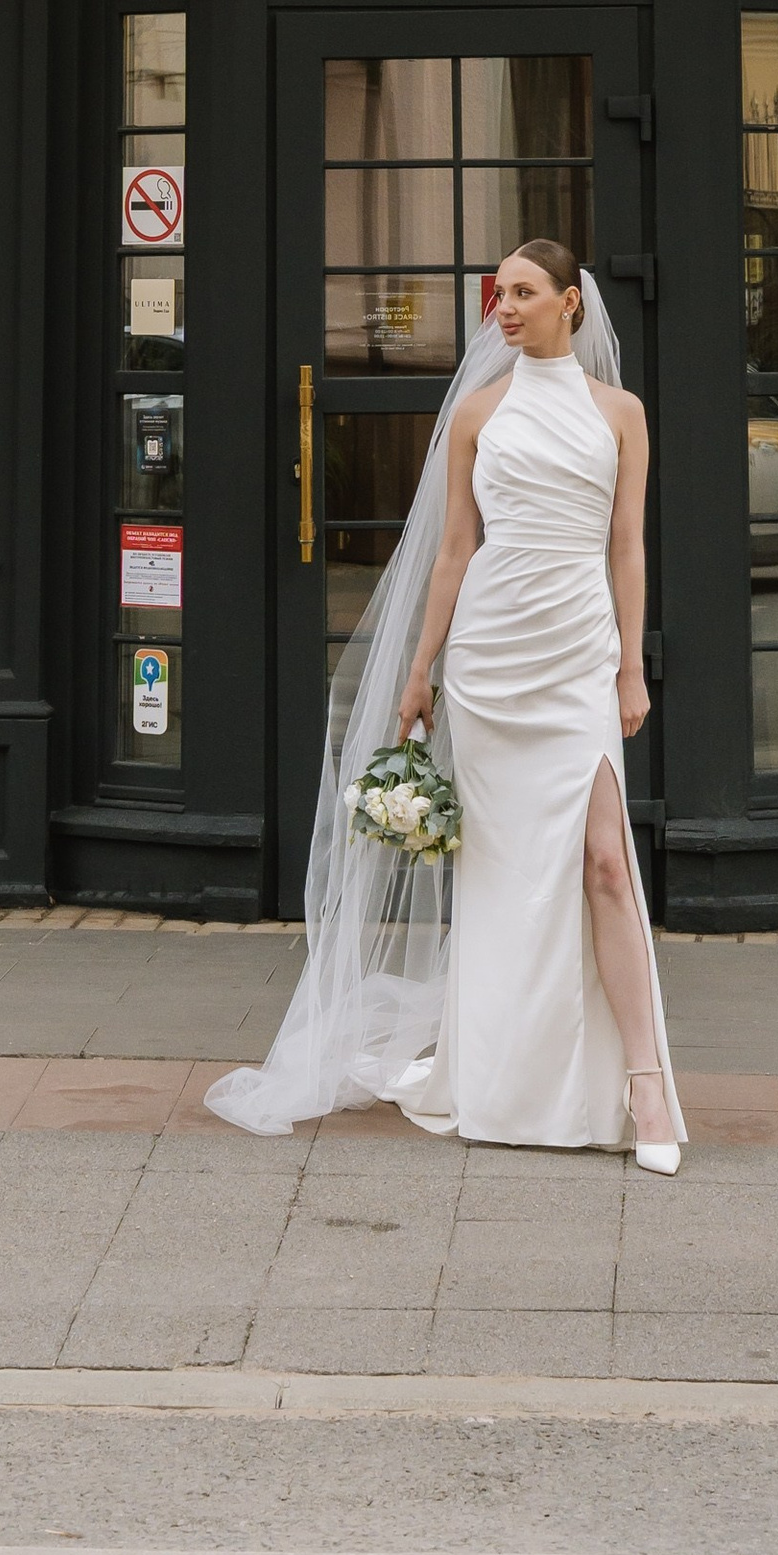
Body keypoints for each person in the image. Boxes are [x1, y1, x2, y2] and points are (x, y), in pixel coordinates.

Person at [206, 237, 685, 1174]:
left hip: (576, 656)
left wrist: (631, 667)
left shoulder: (620, 412)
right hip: (490, 660)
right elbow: (455, 549)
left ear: (570, 304)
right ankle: (501, 1075)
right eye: (497, 295)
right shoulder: (477, 412)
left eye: (523, 292)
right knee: (500, 877)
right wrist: (422, 668)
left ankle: (646, 1085)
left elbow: (627, 547)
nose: (504, 309)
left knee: (603, 866)